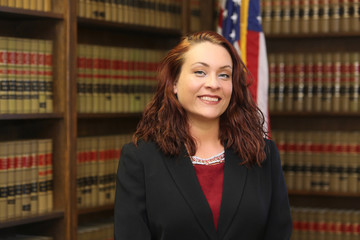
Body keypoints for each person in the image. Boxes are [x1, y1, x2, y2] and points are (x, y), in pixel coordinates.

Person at [114, 31, 292, 240]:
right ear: (174, 83)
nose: (214, 84)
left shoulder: (263, 154)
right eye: (200, 72)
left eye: (224, 75)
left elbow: (278, 233)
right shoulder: (140, 159)